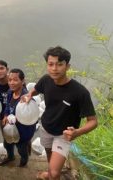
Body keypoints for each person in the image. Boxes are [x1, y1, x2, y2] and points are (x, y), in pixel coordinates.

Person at [23, 46, 98, 180]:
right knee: (50, 159)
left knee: (55, 173)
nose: (54, 68)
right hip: (46, 127)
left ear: (67, 66)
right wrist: (29, 95)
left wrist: (77, 132)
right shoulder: (46, 80)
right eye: (51, 64)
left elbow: (93, 121)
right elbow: (36, 89)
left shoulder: (80, 92)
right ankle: (49, 172)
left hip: (63, 135)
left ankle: (51, 174)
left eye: (59, 64)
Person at [0, 68, 36, 167]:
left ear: (22, 81)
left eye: (15, 80)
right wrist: (6, 115)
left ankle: (23, 163)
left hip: (23, 131)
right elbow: (7, 105)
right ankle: (10, 157)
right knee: (7, 144)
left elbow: (32, 117)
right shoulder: (10, 92)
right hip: (10, 128)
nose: (12, 83)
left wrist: (18, 119)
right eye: (10, 80)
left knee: (21, 149)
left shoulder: (27, 99)